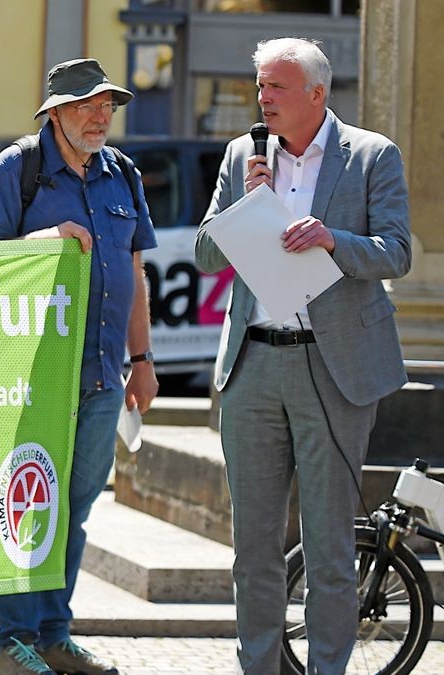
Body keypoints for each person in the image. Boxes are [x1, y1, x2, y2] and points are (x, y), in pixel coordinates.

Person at [195, 38, 411, 674]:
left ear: (317, 94)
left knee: (328, 547)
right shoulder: (243, 155)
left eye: (277, 88)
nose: (262, 99)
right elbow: (208, 253)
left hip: (334, 368)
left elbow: (396, 251)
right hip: (253, 367)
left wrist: (332, 239)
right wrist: (245, 206)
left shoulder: (372, 155)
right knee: (253, 548)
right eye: (260, 86)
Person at [0, 58, 158, 675]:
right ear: (55, 113)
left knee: (74, 510)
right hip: (31, 378)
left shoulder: (122, 174)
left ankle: (54, 635)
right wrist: (42, 240)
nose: (101, 115)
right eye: (86, 104)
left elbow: (133, 271)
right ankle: (12, 641)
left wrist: (143, 360)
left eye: (107, 104)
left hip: (104, 375)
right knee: (26, 504)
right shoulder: (17, 170)